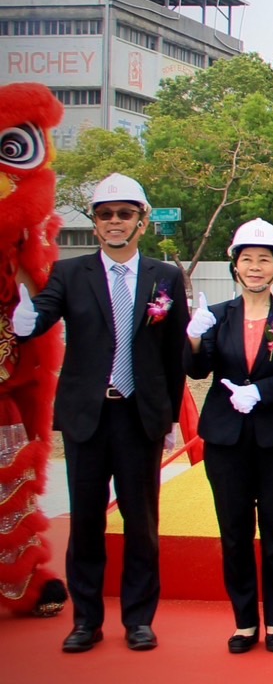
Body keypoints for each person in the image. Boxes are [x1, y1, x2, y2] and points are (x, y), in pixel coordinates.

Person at [11, 173, 188, 653]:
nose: (114, 222)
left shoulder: (164, 278)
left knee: (142, 523)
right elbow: (42, 314)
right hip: (88, 415)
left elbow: (174, 355)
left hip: (140, 417)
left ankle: (138, 619)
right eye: (105, 214)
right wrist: (26, 317)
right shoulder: (71, 275)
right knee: (87, 521)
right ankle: (86, 620)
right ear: (94, 224)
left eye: (124, 213)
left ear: (142, 221)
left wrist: (169, 418)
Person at [184, 218, 273, 653]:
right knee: (235, 531)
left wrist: (260, 391)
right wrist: (194, 338)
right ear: (235, 265)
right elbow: (197, 370)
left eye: (264, 259)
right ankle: (244, 622)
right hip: (226, 439)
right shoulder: (217, 316)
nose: (255, 267)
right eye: (247, 259)